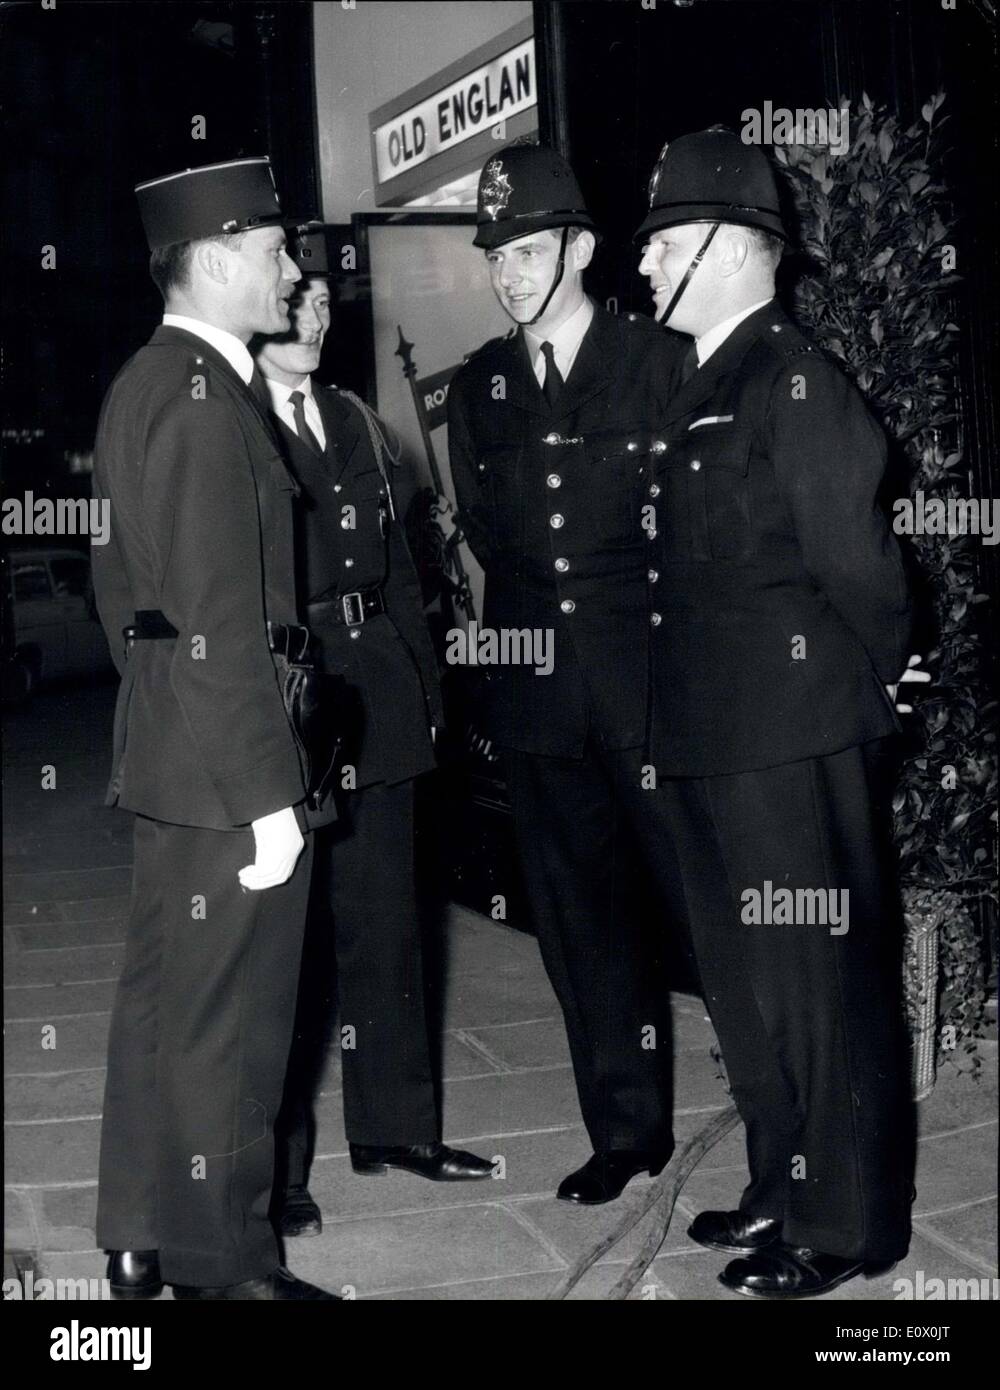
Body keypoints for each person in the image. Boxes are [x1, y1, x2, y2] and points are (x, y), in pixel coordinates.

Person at [637, 127, 919, 1297]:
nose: (642, 264)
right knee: (747, 987)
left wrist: (881, 675)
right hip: (710, 741)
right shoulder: (704, 380)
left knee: (813, 982)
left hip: (789, 740)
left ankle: (847, 1224)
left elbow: (860, 565)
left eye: (660, 241)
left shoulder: (794, 376)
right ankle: (780, 1184)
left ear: (731, 247)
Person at [92, 158, 338, 1301]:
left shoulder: (149, 382)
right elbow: (215, 617)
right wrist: (266, 794)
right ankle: (225, 1268)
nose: (294, 269)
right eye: (280, 247)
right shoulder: (203, 397)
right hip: (226, 763)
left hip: (173, 756)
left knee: (165, 1007)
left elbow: (123, 600)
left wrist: (176, 739)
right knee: (233, 1028)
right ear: (224, 254)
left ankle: (144, 1234)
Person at [447, 142, 688, 1205]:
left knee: (711, 914)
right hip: (542, 704)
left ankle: (790, 1154)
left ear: (580, 249)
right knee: (582, 928)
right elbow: (497, 542)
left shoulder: (659, 361)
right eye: (496, 253)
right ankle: (624, 1132)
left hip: (653, 692)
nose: (509, 272)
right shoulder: (481, 387)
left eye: (529, 249)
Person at [254, 224, 493, 1239]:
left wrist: (426, 686)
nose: (313, 313)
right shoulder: (232, 420)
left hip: (378, 692)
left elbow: (404, 570)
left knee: (389, 920)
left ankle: (395, 1127)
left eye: (323, 300)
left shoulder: (355, 420)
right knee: (289, 946)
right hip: (289, 697)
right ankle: (278, 1167)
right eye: (297, 293)